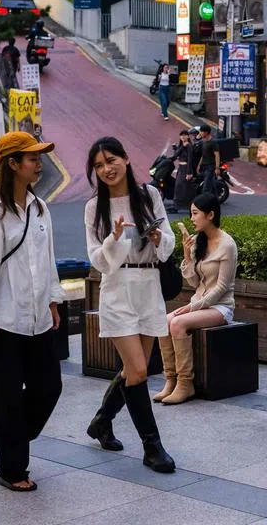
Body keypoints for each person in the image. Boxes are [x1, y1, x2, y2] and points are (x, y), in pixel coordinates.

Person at [0, 131, 64, 492]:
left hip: (38, 318)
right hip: (3, 321)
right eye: (32, 158)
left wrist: (53, 300)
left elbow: (47, 260)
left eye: (39, 157)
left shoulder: (41, 209)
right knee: (6, 397)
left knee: (49, 388)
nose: (39, 164)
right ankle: (12, 469)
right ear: (12, 164)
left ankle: (5, 434)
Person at [82, 137, 176, 473]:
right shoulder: (95, 207)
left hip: (149, 286)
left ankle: (102, 421)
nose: (106, 169)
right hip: (118, 289)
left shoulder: (149, 195)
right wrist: (115, 237)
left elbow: (169, 242)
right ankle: (153, 447)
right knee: (137, 371)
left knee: (134, 371)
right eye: (98, 165)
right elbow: (97, 260)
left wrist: (156, 238)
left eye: (110, 161)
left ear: (125, 158)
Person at [159, 193, 238, 405]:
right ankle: (171, 379)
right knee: (163, 322)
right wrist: (187, 255)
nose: (192, 218)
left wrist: (194, 306)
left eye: (195, 213)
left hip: (221, 308)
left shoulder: (227, 244)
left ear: (210, 215)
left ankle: (186, 384)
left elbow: (221, 287)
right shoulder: (199, 242)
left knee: (177, 323)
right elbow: (195, 283)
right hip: (200, 304)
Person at [192, 124, 219, 197]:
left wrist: (217, 168)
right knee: (212, 185)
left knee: (206, 187)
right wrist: (199, 165)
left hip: (211, 166)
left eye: (201, 131)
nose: (200, 133)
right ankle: (216, 200)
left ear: (206, 132)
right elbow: (203, 155)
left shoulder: (213, 142)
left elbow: (217, 155)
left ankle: (204, 204)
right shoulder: (203, 141)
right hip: (204, 166)